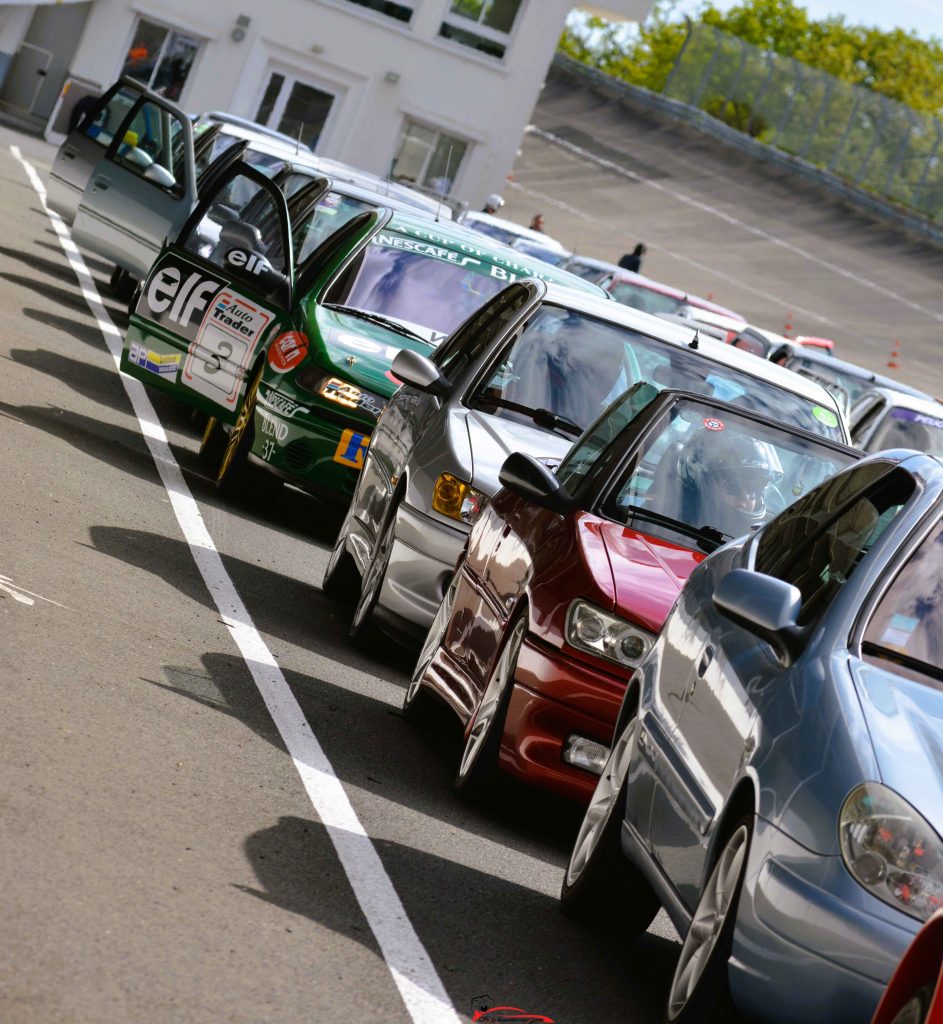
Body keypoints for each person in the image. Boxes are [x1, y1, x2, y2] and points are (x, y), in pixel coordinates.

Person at [679, 428, 779, 539]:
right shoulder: (673, 518)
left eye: (754, 488)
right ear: (707, 483)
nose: (744, 498)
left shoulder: (765, 538)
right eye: (733, 485)